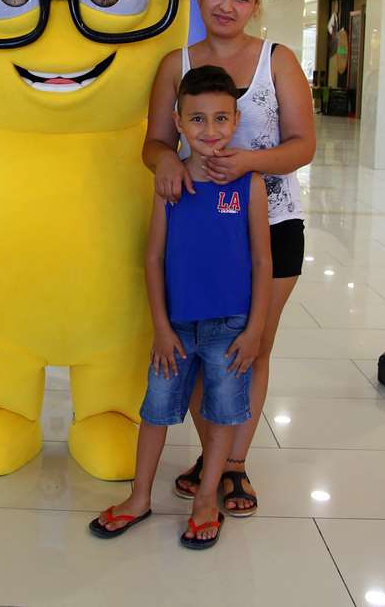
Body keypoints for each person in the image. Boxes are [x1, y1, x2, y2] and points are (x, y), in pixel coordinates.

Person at [142, 0, 316, 515]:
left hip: (273, 223)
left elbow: (303, 145)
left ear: (255, 6)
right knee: (199, 345)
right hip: (197, 231)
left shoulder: (278, 61)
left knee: (251, 346)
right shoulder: (175, 65)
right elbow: (154, 142)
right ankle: (210, 455)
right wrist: (165, 163)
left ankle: (234, 464)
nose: (227, 5)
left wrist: (248, 163)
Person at [90, 66, 271, 548]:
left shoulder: (249, 185)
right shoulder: (169, 184)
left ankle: (206, 499)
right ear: (178, 122)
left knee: (221, 416)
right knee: (155, 412)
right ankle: (139, 496)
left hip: (230, 327)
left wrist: (255, 329)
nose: (209, 131)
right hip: (175, 326)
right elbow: (152, 258)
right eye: (197, 119)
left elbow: (262, 260)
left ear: (236, 120)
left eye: (220, 118)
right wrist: (161, 328)